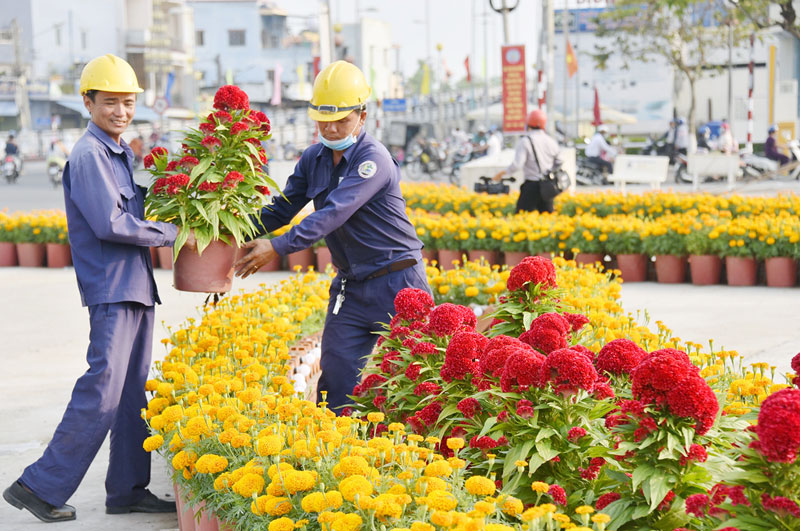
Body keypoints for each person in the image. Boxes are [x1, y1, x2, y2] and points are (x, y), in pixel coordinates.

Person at [3, 54, 178, 523]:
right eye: (110, 103)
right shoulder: (88, 156)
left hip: (136, 287)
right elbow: (111, 223)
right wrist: (171, 233)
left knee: (132, 394)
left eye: (127, 103)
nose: (120, 111)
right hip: (112, 289)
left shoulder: (118, 154)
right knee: (102, 388)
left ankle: (126, 489)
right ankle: (39, 486)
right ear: (88, 102)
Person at [233, 60, 432, 412]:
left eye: (343, 119)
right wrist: (227, 234)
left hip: (399, 281)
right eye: (325, 120)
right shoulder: (314, 158)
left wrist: (277, 247)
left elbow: (333, 213)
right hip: (351, 289)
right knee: (337, 380)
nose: (334, 128)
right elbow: (282, 208)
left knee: (421, 380)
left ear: (362, 116)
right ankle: (341, 457)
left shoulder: (373, 160)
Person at [492, 109, 562, 214]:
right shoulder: (551, 141)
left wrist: (502, 173)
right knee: (547, 219)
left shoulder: (525, 141)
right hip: (547, 186)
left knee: (521, 218)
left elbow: (517, 165)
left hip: (531, 186)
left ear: (528, 124)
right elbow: (559, 161)